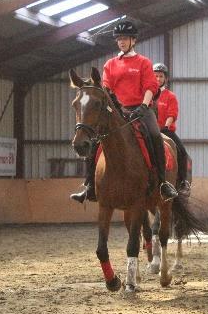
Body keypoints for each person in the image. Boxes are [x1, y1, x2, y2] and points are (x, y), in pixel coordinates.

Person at [70, 20, 178, 203]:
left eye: (125, 39)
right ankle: (89, 185)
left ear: (133, 41)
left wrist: (144, 106)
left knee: (154, 136)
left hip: (142, 109)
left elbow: (150, 86)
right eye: (119, 39)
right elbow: (106, 88)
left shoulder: (143, 62)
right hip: (119, 110)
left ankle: (162, 183)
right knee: (96, 140)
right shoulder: (110, 64)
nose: (121, 42)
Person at [153, 62, 191, 191]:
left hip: (165, 131)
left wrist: (165, 126)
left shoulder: (170, 96)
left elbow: (172, 114)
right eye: (156, 76)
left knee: (182, 152)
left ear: (166, 79)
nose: (158, 79)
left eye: (161, 76)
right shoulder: (147, 95)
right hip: (149, 130)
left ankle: (182, 181)